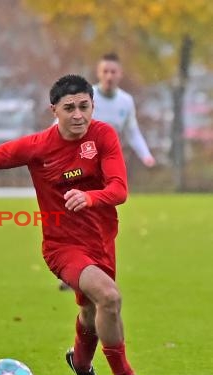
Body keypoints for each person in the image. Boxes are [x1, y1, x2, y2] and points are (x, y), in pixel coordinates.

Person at [0, 74, 155, 375]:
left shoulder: (103, 135)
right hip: (62, 246)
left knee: (91, 312)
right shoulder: (38, 147)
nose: (78, 115)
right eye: (69, 108)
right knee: (109, 297)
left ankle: (82, 364)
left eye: (84, 106)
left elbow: (119, 190)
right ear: (54, 111)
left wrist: (90, 198)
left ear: (93, 106)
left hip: (102, 240)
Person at [57, 52, 155, 292]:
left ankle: (92, 268)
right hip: (80, 166)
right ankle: (74, 269)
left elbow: (132, 131)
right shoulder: (86, 98)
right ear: (99, 73)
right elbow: (64, 121)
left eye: (113, 71)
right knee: (79, 216)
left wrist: (146, 154)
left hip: (108, 169)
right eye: (105, 71)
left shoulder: (125, 102)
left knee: (103, 221)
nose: (109, 76)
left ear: (120, 74)